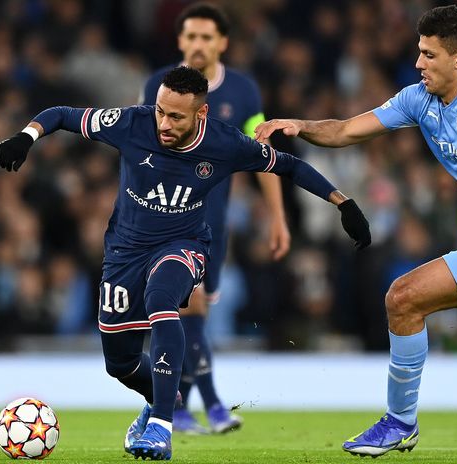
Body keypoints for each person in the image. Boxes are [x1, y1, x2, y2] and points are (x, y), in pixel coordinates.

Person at [256, 5, 457, 458]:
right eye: (418, 53)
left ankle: (399, 423)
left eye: (429, 55)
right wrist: (300, 126)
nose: (418, 63)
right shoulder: (419, 100)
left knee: (403, 297)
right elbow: (349, 129)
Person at [0, 65, 371, 461]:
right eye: (161, 110)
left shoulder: (226, 144)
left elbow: (288, 165)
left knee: (162, 296)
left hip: (185, 244)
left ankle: (161, 425)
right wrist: (26, 137)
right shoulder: (131, 123)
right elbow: (60, 114)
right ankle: (164, 395)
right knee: (119, 362)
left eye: (176, 116)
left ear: (201, 114)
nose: (163, 123)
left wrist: (343, 203)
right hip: (125, 251)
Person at [139, 3, 289, 434]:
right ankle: (211, 405)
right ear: (180, 40)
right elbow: (136, 151)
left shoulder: (243, 92)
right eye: (191, 36)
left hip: (214, 224)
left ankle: (182, 408)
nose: (198, 44)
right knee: (187, 306)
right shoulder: (157, 87)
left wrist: (278, 217)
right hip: (166, 221)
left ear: (222, 42)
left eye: (207, 37)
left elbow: (266, 158)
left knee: (195, 315)